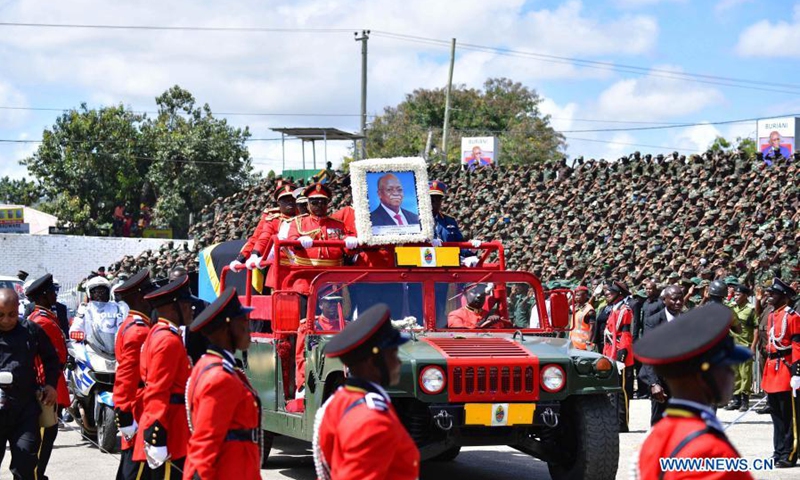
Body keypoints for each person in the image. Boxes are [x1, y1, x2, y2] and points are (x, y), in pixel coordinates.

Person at [632, 303, 754, 480]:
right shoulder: (707, 449)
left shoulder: (657, 435)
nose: (731, 373)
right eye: (725, 366)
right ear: (702, 373)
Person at [312, 303, 419, 480]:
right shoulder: (372, 420)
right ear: (372, 361)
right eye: (393, 354)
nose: (399, 362)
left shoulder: (341, 400)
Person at [183, 287, 261, 480]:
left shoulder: (211, 365)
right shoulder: (220, 378)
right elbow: (204, 446)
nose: (248, 329)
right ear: (227, 327)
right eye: (243, 321)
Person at [134, 276, 194, 479]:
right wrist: (156, 435)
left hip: (171, 424)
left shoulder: (159, 333)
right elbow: (158, 390)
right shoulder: (168, 340)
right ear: (172, 309)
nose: (191, 309)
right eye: (186, 305)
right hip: (169, 430)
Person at [0, 288, 60, 480]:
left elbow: (51, 359)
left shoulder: (31, 330)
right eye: (1, 315)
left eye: (11, 314)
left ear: (19, 308)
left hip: (25, 409)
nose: (7, 320)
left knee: (26, 464)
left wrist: (51, 385)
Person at [112, 269, 157, 480]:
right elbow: (126, 379)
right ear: (140, 297)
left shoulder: (132, 324)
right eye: (149, 292)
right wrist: (125, 416)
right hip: (138, 408)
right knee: (135, 470)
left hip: (136, 405)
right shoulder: (139, 331)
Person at [24, 275, 69, 480]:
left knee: (47, 434)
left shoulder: (43, 316)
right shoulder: (42, 320)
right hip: (47, 382)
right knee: (44, 436)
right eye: (51, 292)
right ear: (43, 296)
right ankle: (35, 475)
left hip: (51, 378)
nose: (55, 295)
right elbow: (48, 357)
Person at [287, 183, 358, 294]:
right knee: (304, 309)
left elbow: (347, 248)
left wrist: (350, 242)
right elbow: (291, 241)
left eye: (323, 202)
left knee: (335, 309)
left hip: (332, 279)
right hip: (306, 277)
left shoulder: (338, 224)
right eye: (314, 203)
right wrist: (298, 242)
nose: (319, 206)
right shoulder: (299, 222)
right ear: (308, 204)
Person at [760, 277, 800, 468]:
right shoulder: (771, 316)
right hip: (772, 368)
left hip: (786, 369)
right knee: (776, 415)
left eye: (773, 293)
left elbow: (797, 346)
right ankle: (778, 451)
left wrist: (797, 372)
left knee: (789, 415)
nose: (769, 296)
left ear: (784, 297)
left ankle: (790, 453)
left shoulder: (792, 317)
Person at [638, 285, 684, 426]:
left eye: (680, 299)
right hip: (661, 381)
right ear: (664, 300)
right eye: (674, 299)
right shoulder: (653, 322)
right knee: (660, 421)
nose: (678, 302)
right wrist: (654, 384)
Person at [230, 182, 297, 272]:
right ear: (278, 203)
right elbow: (259, 239)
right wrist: (242, 258)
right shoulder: (273, 218)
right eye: (285, 200)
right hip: (276, 263)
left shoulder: (306, 216)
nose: (290, 202)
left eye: (292, 199)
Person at [295, 287, 345, 398]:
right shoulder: (308, 326)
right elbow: (300, 358)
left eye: (336, 302)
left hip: (341, 378)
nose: (334, 306)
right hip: (312, 379)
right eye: (330, 302)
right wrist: (307, 379)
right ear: (321, 304)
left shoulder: (345, 326)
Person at [603, 280, 634, 432]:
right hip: (610, 351)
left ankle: (622, 422)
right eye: (607, 293)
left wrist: (622, 355)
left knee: (621, 390)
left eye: (611, 293)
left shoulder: (624, 310)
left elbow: (626, 334)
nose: (607, 295)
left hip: (620, 353)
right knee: (613, 389)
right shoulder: (614, 309)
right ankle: (615, 420)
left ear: (619, 295)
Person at [428, 180, 481, 267]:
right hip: (425, 268)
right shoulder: (414, 220)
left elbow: (459, 247)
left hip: (448, 267)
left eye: (438, 199)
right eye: (431, 199)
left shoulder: (449, 221)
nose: (435, 202)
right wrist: (428, 243)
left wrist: (471, 249)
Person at [724, 284, 756, 412]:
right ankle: (736, 399)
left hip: (745, 345)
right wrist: (730, 295)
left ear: (746, 296)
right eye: (735, 294)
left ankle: (745, 400)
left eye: (738, 295)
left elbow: (756, 328)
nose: (736, 297)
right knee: (735, 373)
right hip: (733, 345)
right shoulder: (732, 307)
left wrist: (753, 346)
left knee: (745, 375)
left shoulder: (751, 309)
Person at [70, 275, 127, 342]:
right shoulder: (84, 308)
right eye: (96, 292)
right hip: (91, 346)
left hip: (114, 345)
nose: (99, 294)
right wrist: (76, 333)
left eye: (103, 292)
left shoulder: (116, 307)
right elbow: (77, 325)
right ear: (89, 293)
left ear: (108, 292)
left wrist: (123, 335)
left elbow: (121, 325)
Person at [569, 286, 596, 351]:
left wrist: (589, 344)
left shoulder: (589, 311)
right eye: (575, 295)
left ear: (585, 296)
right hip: (573, 344)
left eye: (578, 295)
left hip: (583, 347)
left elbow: (592, 328)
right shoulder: (575, 308)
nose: (576, 297)